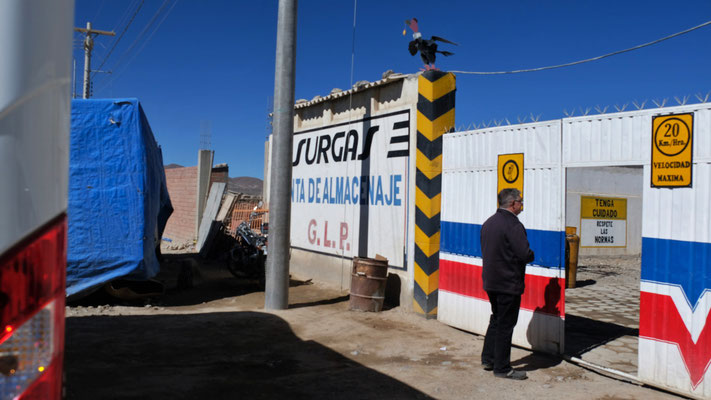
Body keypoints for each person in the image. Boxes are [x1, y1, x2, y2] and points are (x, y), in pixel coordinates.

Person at [480, 188, 534, 380]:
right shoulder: (513, 225)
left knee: (496, 319)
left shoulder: (489, 223)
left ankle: (488, 359)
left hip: (491, 281)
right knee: (506, 324)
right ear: (513, 203)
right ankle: (502, 368)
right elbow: (524, 253)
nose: (522, 204)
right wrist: (531, 255)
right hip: (508, 283)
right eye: (520, 201)